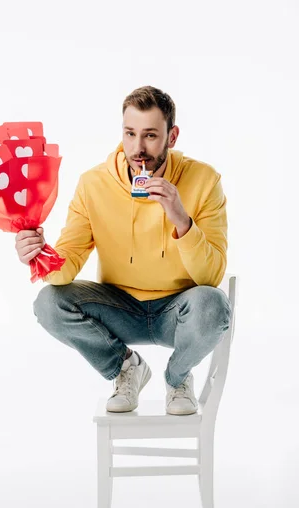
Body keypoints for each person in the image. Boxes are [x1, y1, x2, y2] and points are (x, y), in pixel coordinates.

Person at [15, 86, 232, 415]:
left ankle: (177, 378)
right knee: (48, 303)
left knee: (214, 305)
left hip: (178, 311)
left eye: (150, 135)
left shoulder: (204, 180)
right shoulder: (94, 183)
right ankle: (127, 368)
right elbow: (66, 269)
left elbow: (210, 276)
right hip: (118, 308)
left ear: (171, 137)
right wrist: (39, 254)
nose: (138, 148)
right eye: (130, 134)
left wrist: (181, 220)